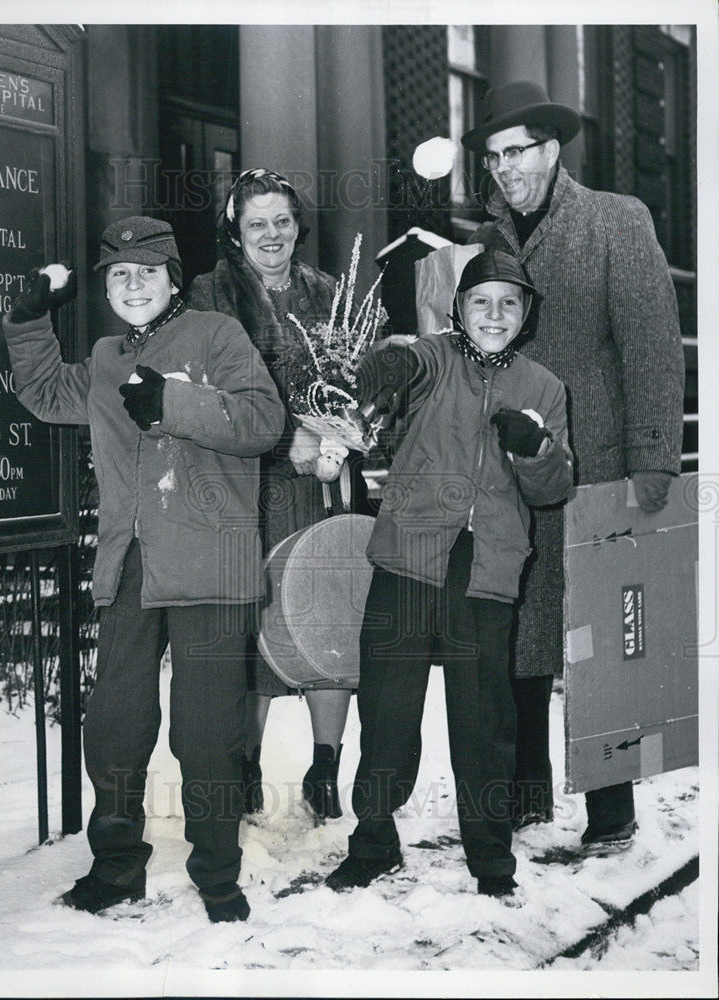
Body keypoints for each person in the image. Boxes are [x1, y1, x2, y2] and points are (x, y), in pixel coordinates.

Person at [2, 217, 285, 920]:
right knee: (117, 723)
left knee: (208, 732)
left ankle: (217, 879)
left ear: (172, 279)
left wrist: (175, 403)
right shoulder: (102, 356)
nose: (133, 286)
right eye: (118, 276)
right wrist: (29, 320)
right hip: (131, 561)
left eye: (147, 273)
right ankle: (117, 868)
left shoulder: (217, 335)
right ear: (105, 288)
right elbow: (45, 394)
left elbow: (262, 421)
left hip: (212, 563)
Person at [461, 81, 685, 849]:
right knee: (518, 632)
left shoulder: (615, 222)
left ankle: (610, 813)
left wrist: (652, 461)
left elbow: (652, 348)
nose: (503, 169)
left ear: (552, 150)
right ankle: (525, 799)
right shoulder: (482, 237)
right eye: (492, 157)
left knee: (599, 644)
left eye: (516, 151)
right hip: (509, 471)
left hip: (596, 471)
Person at [323, 249, 574, 898]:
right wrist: (387, 362)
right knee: (385, 708)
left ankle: (491, 860)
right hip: (409, 553)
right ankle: (372, 841)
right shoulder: (436, 358)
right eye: (479, 301)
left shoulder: (544, 387)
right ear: (458, 310)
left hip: (485, 567)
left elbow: (553, 487)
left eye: (508, 303)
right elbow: (408, 359)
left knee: (483, 718)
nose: (493, 314)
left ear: (525, 315)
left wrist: (535, 449)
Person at [186, 169, 370, 821]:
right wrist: (283, 439)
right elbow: (204, 397)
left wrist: (343, 433)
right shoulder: (210, 296)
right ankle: (245, 768)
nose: (272, 234)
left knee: (332, 614)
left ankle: (325, 768)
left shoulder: (328, 292)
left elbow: (358, 387)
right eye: (256, 222)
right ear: (234, 231)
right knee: (252, 624)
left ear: (298, 224)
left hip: (322, 485)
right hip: (246, 488)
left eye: (282, 221)